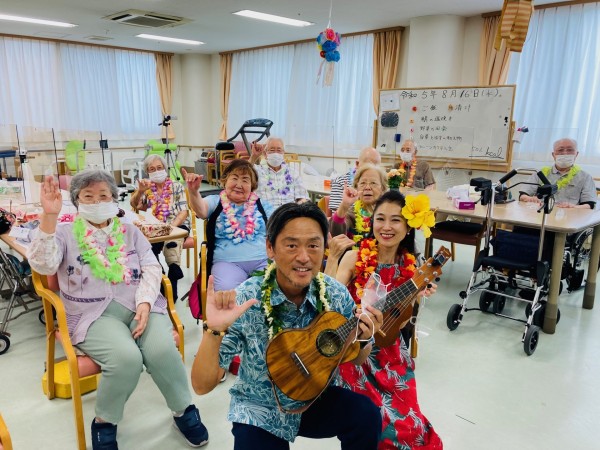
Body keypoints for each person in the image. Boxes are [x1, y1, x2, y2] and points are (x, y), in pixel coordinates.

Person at [27, 170, 209, 450]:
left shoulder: (130, 231)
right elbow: (43, 265)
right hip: (91, 314)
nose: (97, 201)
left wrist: (145, 302)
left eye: (104, 195)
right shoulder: (63, 233)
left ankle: (183, 409)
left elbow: (151, 267)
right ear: (77, 201)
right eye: (88, 196)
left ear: (114, 198)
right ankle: (105, 421)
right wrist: (49, 217)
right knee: (126, 359)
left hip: (139, 305)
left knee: (162, 350)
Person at [191, 202, 384, 450]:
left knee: (366, 415)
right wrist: (213, 330)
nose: (303, 257)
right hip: (260, 406)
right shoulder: (247, 299)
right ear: (270, 247)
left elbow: (357, 358)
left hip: (314, 395)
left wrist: (365, 337)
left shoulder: (335, 294)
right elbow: (201, 386)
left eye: (313, 245)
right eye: (291, 245)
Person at [330, 190, 443, 450]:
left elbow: (400, 325)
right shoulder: (355, 257)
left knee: (411, 426)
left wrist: (413, 296)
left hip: (389, 351)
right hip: (353, 351)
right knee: (377, 425)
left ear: (408, 227)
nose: (386, 227)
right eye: (380, 219)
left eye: (395, 220)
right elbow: (329, 304)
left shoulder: (411, 268)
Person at [183, 159, 273, 291]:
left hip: (262, 261)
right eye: (234, 178)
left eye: (245, 180)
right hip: (227, 262)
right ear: (225, 180)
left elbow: (281, 223)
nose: (239, 184)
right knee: (226, 292)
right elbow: (201, 210)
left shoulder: (262, 205)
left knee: (271, 288)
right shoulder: (216, 202)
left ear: (252, 186)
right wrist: (193, 191)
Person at [130, 154, 190, 300]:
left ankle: (173, 274)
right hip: (155, 227)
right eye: (152, 169)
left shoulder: (176, 186)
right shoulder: (147, 188)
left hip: (178, 225)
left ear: (165, 168)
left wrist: (170, 228)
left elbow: (184, 212)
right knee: (150, 248)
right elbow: (135, 205)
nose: (156, 171)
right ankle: (162, 273)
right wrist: (140, 191)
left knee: (171, 243)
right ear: (147, 172)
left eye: (159, 167)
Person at [328, 164, 388, 263]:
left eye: (373, 183)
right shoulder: (352, 213)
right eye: (363, 183)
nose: (367, 187)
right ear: (356, 187)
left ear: (382, 188)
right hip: (351, 266)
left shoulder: (388, 216)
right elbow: (335, 234)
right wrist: (344, 205)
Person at [518, 138, 596, 209]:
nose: (565, 153)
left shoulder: (585, 177)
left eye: (570, 150)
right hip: (540, 212)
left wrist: (574, 207)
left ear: (576, 154)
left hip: (569, 215)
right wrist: (530, 199)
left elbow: (590, 205)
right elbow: (523, 195)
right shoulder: (540, 174)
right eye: (560, 150)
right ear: (553, 155)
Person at [249, 137, 309, 208]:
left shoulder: (293, 173)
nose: (276, 153)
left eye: (279, 150)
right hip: (265, 213)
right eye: (272, 150)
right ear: (265, 153)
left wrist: (299, 209)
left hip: (289, 212)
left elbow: (303, 197)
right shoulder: (257, 171)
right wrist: (253, 156)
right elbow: (243, 172)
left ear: (283, 153)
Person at [329, 147, 382, 211]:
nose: (372, 169)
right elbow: (338, 215)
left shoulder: (381, 183)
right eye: (369, 164)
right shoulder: (340, 182)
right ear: (357, 164)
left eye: (376, 166)